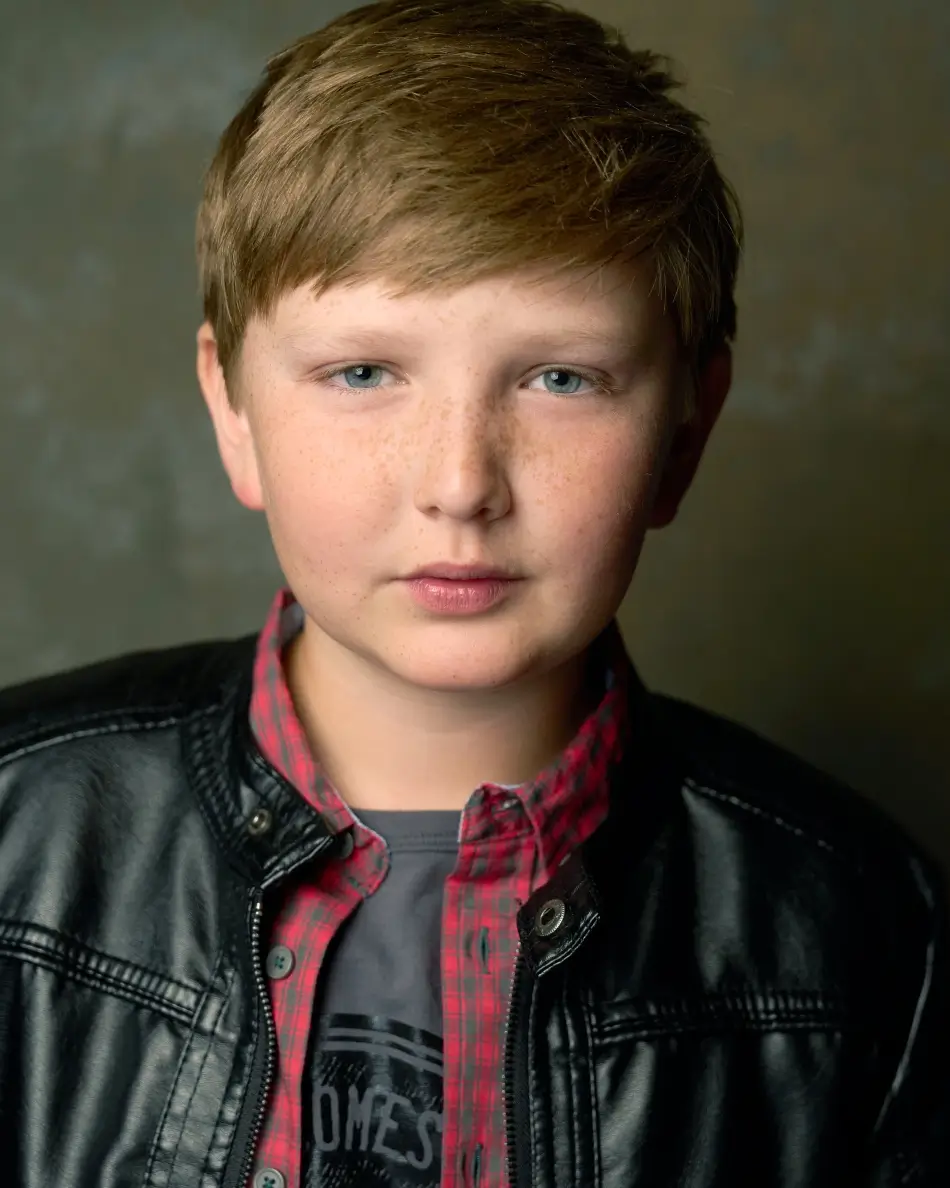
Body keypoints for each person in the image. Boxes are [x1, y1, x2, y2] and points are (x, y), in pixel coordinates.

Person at [0, 0, 946, 1184]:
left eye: (560, 378)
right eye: (361, 372)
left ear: (684, 433)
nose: (460, 485)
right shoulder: (14, 839)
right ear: (232, 413)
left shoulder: (866, 933)